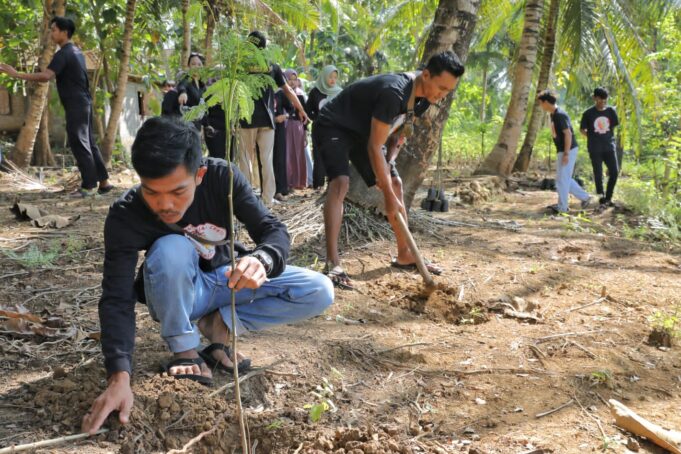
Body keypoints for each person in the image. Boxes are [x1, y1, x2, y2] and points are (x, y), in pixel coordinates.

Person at [81, 116, 333, 434]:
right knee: (171, 248)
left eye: (177, 191)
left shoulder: (221, 178)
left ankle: (220, 325)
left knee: (319, 289)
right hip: (179, 293)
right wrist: (119, 376)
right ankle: (184, 348)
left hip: (228, 279)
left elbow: (272, 230)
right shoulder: (126, 214)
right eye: (152, 193)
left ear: (199, 175)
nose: (165, 205)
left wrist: (262, 259)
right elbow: (116, 298)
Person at [314, 51, 463, 289]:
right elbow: (374, 146)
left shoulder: (423, 99)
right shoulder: (394, 92)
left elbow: (394, 134)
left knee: (396, 184)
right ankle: (333, 264)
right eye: (441, 88)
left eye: (448, 91)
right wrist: (388, 198)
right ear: (425, 75)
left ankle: (405, 254)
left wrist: (390, 167)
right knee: (340, 182)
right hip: (335, 125)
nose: (443, 95)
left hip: (365, 133)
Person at [0, 16, 113, 197]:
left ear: (64, 32)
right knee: (89, 143)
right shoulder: (76, 51)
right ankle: (104, 183)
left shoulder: (64, 53)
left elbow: (46, 76)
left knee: (79, 143)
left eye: (53, 30)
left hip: (77, 104)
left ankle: (89, 187)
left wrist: (16, 74)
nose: (51, 33)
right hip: (84, 102)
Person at [238, 31, 309, 206]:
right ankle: (267, 200)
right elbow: (288, 91)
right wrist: (301, 110)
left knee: (245, 160)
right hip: (268, 121)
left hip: (246, 119)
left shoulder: (241, 65)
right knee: (266, 160)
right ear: (264, 46)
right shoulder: (272, 66)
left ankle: (246, 201)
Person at [537, 89, 592, 214]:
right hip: (563, 150)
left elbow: (568, 134)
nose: (540, 106)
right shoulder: (553, 114)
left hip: (568, 149)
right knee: (563, 178)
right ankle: (585, 198)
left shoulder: (560, 115)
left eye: (541, 103)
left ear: (546, 102)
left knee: (562, 179)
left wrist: (566, 153)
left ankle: (563, 207)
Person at [580, 87, 620, 206]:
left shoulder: (611, 112)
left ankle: (608, 197)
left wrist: (608, 139)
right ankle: (601, 198)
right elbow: (582, 129)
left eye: (605, 101)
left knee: (614, 172)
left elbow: (613, 127)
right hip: (594, 147)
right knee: (598, 173)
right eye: (600, 100)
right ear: (594, 98)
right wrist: (592, 137)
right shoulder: (588, 113)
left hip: (609, 147)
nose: (602, 103)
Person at [306, 65, 342, 189]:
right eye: (330, 77)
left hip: (335, 129)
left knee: (334, 156)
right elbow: (308, 110)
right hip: (319, 128)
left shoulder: (339, 92)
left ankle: (333, 184)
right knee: (319, 155)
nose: (333, 80)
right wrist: (316, 118)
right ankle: (318, 185)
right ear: (324, 77)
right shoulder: (315, 92)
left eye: (335, 77)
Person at [284, 69, 308, 190]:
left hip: (298, 127)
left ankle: (299, 182)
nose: (292, 82)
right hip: (286, 127)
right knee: (287, 154)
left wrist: (306, 133)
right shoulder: (282, 93)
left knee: (298, 155)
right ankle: (288, 182)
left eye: (294, 79)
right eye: (290, 79)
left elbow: (305, 116)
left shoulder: (300, 95)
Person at [272, 87, 292, 200]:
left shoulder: (280, 93)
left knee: (279, 158)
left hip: (278, 129)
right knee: (266, 160)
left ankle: (280, 190)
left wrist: (284, 116)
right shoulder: (262, 90)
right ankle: (268, 190)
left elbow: (291, 109)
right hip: (264, 128)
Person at [176, 53, 205, 130]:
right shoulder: (186, 78)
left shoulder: (202, 85)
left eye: (199, 64)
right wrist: (183, 93)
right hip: (186, 125)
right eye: (193, 64)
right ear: (189, 66)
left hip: (197, 125)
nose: (196, 67)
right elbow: (182, 85)